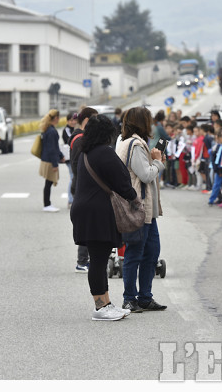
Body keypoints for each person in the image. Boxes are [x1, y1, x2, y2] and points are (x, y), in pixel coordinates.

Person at [70, 115, 136, 321]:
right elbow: (123, 179)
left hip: (85, 210)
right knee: (98, 260)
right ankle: (100, 307)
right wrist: (134, 199)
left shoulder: (85, 153)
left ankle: (106, 302)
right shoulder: (105, 153)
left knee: (98, 258)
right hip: (97, 212)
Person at [117, 106, 168, 313]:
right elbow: (146, 175)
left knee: (151, 252)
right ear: (142, 122)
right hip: (139, 208)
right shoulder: (136, 145)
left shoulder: (127, 142)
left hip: (147, 211)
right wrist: (158, 161)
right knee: (136, 253)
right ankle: (130, 297)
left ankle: (145, 297)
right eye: (148, 120)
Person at [70, 106, 99, 273]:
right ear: (87, 120)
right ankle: (82, 261)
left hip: (81, 187)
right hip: (82, 187)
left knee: (87, 224)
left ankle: (84, 260)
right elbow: (76, 166)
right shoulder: (80, 139)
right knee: (86, 224)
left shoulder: (79, 137)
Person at [39, 109, 65, 213]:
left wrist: (61, 155)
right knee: (48, 183)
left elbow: (54, 147)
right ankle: (47, 204)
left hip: (46, 159)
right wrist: (55, 164)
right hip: (49, 161)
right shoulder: (52, 131)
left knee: (48, 183)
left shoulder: (48, 129)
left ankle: (47, 203)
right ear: (56, 118)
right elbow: (52, 149)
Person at [62, 112, 78, 208]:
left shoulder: (74, 129)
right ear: (67, 121)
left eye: (74, 120)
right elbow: (70, 140)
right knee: (72, 178)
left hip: (74, 156)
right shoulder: (66, 130)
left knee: (74, 177)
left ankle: (73, 199)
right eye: (71, 120)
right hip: (69, 157)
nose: (73, 122)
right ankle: (70, 200)